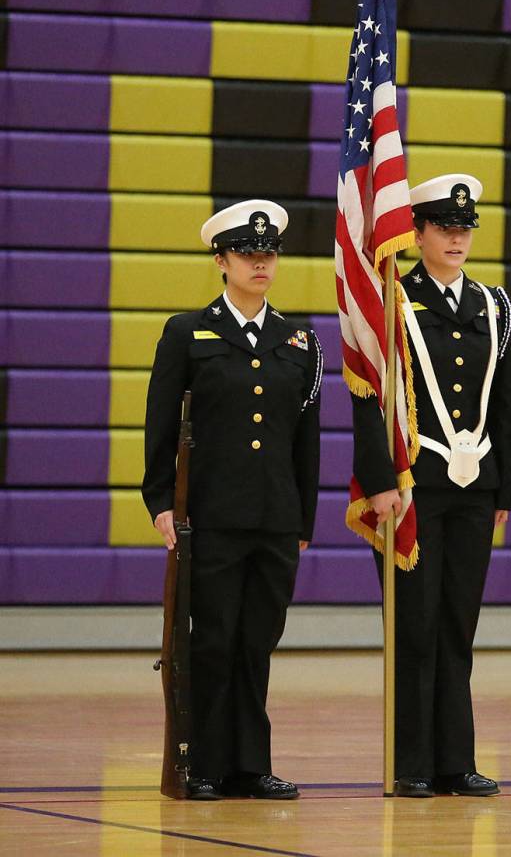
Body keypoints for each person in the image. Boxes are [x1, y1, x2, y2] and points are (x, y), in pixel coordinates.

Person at [142, 199, 322, 801]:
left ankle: (250, 764)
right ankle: (203, 764)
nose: (261, 262)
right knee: (212, 639)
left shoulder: (299, 341)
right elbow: (160, 424)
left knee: (257, 641)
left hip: (274, 518)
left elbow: (305, 440)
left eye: (268, 253)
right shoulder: (187, 332)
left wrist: (303, 519)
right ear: (221, 260)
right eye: (248, 253)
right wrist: (161, 501)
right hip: (212, 517)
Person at [351, 174, 511, 799]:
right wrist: (376, 481)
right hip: (411, 489)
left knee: (457, 627)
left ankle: (456, 761)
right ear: (415, 233)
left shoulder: (494, 307)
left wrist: (503, 496)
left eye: (464, 228)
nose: (456, 238)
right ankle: (412, 762)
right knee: (414, 627)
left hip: (475, 490)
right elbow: (366, 396)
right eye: (444, 228)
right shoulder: (390, 303)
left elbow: (505, 404)